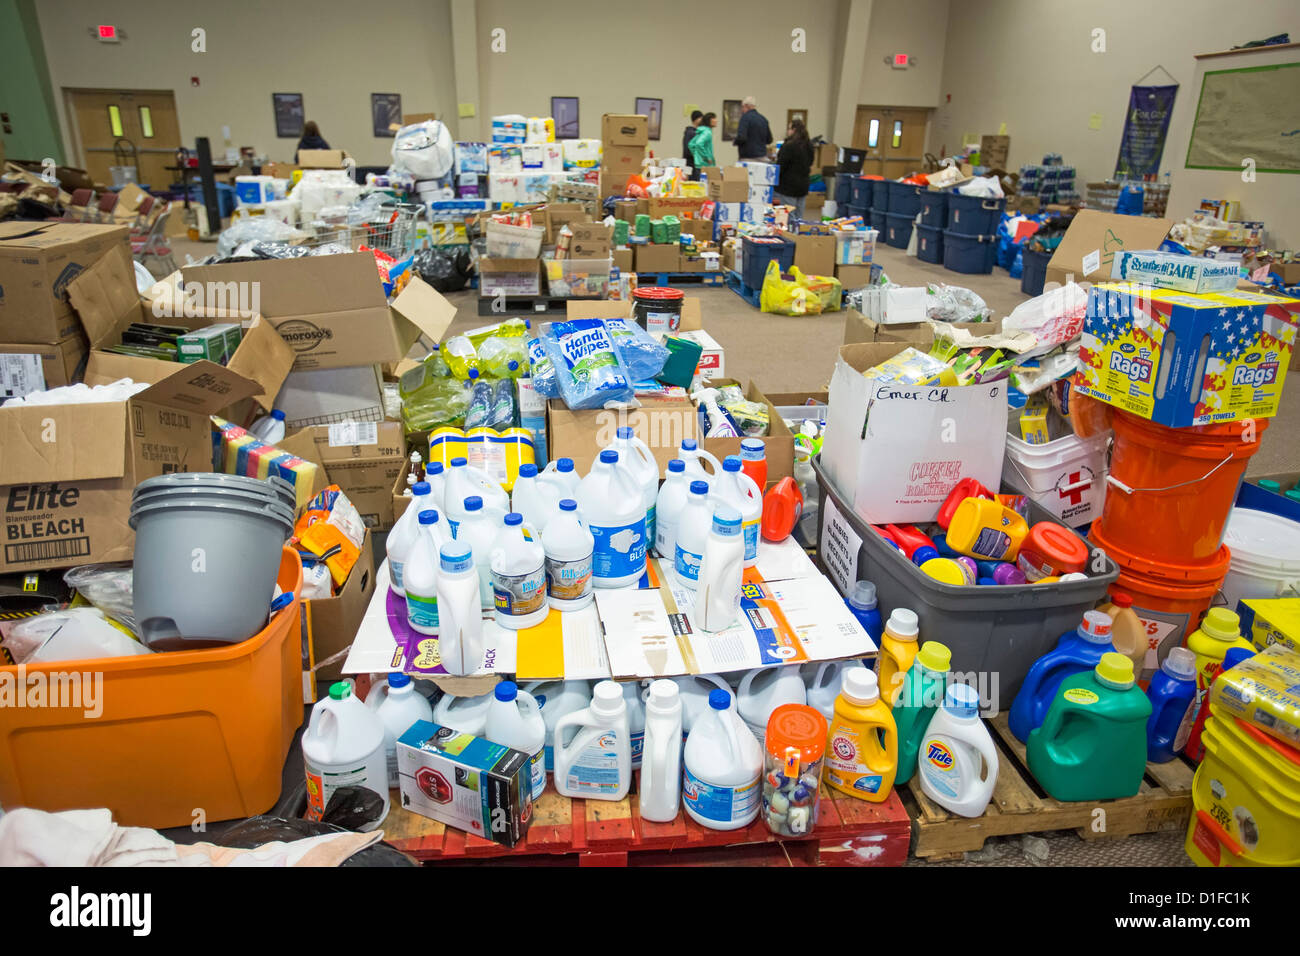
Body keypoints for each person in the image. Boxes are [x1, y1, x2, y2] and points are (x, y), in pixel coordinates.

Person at [773, 118, 814, 219]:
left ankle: (788, 234)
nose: (788, 131)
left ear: (794, 130)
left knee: (787, 218)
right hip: (803, 186)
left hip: (788, 187)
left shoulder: (789, 146)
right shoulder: (809, 145)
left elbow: (781, 166)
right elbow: (811, 162)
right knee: (798, 217)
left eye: (789, 128)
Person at [734, 96, 772, 161]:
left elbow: (742, 137)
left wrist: (735, 141)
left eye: (742, 107)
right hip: (762, 157)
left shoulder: (745, 118)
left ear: (746, 106)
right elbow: (769, 140)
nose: (742, 109)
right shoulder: (763, 119)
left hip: (748, 157)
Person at [682, 110, 703, 178]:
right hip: (691, 165)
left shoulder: (698, 133)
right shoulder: (690, 133)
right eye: (701, 118)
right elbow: (687, 150)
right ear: (696, 119)